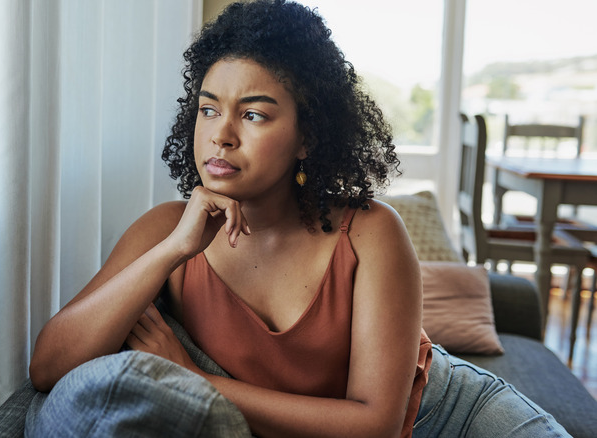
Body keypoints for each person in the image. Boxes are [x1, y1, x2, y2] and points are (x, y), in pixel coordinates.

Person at [28, 1, 570, 436]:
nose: (222, 133)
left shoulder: (370, 232)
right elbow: (49, 367)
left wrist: (190, 379)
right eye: (209, 108)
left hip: (451, 417)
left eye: (255, 114)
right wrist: (174, 249)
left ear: (308, 137)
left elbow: (375, 423)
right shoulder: (166, 231)